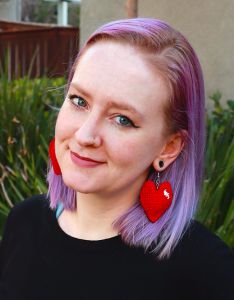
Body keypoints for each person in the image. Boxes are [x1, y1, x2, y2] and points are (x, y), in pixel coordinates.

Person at [0, 18, 233, 300]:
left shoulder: (207, 271)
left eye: (122, 119)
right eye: (79, 101)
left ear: (169, 147)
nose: (86, 135)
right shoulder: (24, 223)